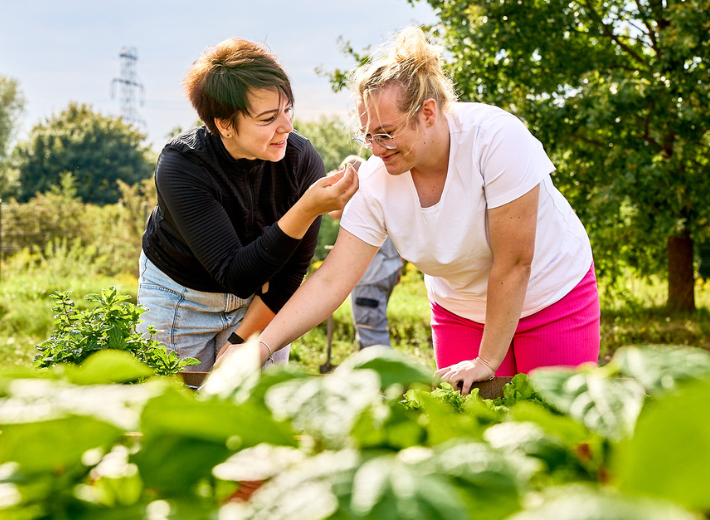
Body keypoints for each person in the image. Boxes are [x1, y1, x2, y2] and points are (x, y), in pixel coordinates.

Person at [254, 26, 600, 394]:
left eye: (386, 133)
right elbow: (331, 280)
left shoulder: (496, 140)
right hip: (460, 310)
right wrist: (259, 346)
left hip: (549, 295)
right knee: (466, 423)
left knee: (552, 417)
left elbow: (514, 264)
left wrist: (486, 361)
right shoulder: (376, 181)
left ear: (428, 113)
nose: (376, 149)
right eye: (367, 136)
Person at [136, 38, 358, 372]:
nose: (287, 126)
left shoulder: (300, 161)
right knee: (177, 400)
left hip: (261, 304)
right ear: (224, 124)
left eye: (287, 110)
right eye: (268, 118)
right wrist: (306, 209)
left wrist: (243, 340)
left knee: (258, 401)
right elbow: (235, 274)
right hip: (180, 299)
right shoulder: (182, 166)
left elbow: (292, 271)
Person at [329, 155, 403, 350]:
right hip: (388, 270)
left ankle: (383, 370)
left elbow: (333, 212)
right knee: (375, 325)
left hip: (371, 275)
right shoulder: (382, 193)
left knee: (371, 335)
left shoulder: (359, 197)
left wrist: (335, 184)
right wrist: (399, 265)